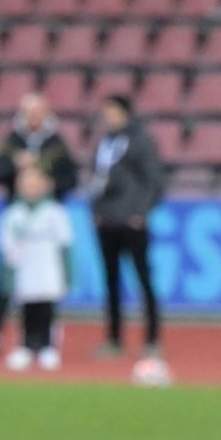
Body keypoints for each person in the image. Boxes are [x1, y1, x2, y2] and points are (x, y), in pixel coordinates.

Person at [0, 91, 80, 356]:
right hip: (17, 218)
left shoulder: (56, 144)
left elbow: (71, 179)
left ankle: (45, 338)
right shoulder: (13, 142)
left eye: (38, 113)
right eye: (29, 113)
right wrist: (14, 165)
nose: (33, 118)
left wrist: (48, 184)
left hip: (46, 220)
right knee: (7, 275)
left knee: (45, 283)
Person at [88, 93, 166, 360]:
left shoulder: (141, 141)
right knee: (111, 283)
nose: (107, 117)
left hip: (131, 221)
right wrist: (96, 210)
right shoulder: (105, 143)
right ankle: (113, 339)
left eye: (112, 112)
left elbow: (154, 180)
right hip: (107, 220)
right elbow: (97, 179)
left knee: (143, 280)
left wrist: (140, 213)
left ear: (125, 113)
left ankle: (152, 340)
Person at [0, 162, 73, 372]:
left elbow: (65, 245)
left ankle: (48, 347)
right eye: (25, 184)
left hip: (49, 268)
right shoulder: (13, 214)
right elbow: (6, 247)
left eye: (34, 184)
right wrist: (8, 275)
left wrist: (68, 274)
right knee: (26, 310)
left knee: (47, 309)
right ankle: (26, 346)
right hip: (25, 268)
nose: (30, 189)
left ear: (45, 185)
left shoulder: (55, 213)